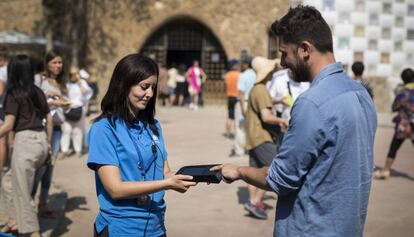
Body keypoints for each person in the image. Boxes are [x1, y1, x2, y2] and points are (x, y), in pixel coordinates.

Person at [213, 5, 377, 236]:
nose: (281, 62)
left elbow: (280, 179)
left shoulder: (312, 103)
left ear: (304, 50)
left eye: (284, 53)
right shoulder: (361, 94)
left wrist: (239, 171)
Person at [87, 54, 196, 237]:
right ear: (124, 85)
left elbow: (165, 173)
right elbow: (115, 189)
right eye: (144, 87)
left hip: (156, 227)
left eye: (153, 87)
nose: (150, 94)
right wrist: (167, 184)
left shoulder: (153, 126)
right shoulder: (103, 129)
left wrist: (194, 174)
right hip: (120, 229)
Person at [0, 54, 52, 237]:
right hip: (40, 141)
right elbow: (48, 117)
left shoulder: (14, 93)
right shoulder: (37, 91)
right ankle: (14, 221)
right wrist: (49, 142)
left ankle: (33, 233)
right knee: (8, 181)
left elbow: (7, 125)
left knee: (23, 193)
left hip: (26, 143)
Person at [243, 56, 288, 219]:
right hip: (261, 137)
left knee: (254, 171)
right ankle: (255, 202)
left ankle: (253, 202)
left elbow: (263, 103)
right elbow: (266, 116)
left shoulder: (256, 89)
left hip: (252, 137)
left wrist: (278, 101)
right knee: (274, 168)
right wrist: (283, 120)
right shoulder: (261, 89)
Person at [32, 51, 68, 218]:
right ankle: (29, 200)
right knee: (41, 165)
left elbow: (66, 107)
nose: (58, 66)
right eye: (54, 62)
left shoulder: (61, 83)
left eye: (60, 62)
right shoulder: (39, 79)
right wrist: (51, 101)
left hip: (58, 128)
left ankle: (43, 202)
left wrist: (63, 102)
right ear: (47, 63)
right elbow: (32, 101)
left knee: (50, 165)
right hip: (44, 127)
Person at [374, 68, 414, 179]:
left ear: (403, 79)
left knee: (393, 148)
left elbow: (394, 107)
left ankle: (386, 171)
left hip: (403, 126)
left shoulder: (402, 93)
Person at [266, 68, 309, 148]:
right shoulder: (279, 79)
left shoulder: (307, 78)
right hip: (285, 125)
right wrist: (280, 101)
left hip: (304, 125)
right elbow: (267, 100)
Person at [60, 65, 93, 157]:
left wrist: (79, 81)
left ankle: (78, 149)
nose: (73, 76)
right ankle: (64, 150)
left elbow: (85, 93)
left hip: (79, 109)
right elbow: (63, 93)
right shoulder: (67, 83)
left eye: (75, 73)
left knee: (77, 131)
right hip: (68, 108)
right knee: (66, 130)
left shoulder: (82, 83)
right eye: (71, 74)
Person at [230, 57, 256, 157]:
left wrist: (242, 108)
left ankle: (239, 150)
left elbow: (241, 93)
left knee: (240, 128)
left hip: (243, 102)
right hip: (253, 102)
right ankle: (249, 148)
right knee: (250, 127)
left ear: (246, 64)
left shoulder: (243, 75)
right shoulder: (256, 75)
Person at [224, 59, 240, 139]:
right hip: (236, 97)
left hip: (229, 96)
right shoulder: (239, 75)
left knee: (229, 116)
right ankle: (233, 133)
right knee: (235, 116)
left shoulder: (227, 75)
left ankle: (227, 133)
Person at [0, 47, 10, 175]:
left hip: (1, 106)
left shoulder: (1, 71)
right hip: (7, 106)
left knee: (2, 141)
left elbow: (0, 90)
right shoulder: (8, 70)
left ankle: (1, 167)